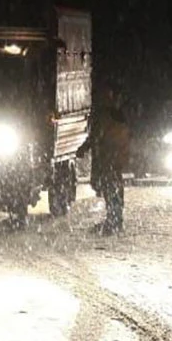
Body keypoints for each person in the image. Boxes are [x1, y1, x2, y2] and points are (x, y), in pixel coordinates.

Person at [77, 87, 131, 233]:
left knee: (110, 190)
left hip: (107, 158)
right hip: (115, 158)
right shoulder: (118, 115)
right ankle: (115, 220)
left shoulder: (104, 116)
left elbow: (96, 136)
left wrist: (84, 148)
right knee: (114, 190)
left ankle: (113, 221)